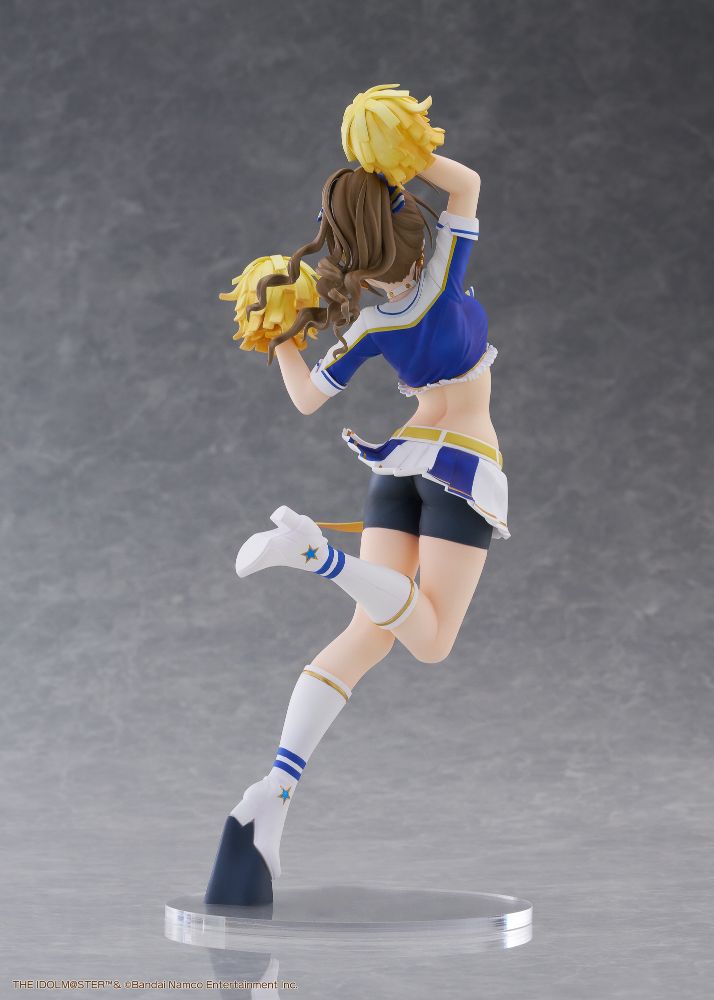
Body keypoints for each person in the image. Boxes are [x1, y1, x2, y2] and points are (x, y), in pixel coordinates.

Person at [205, 154, 509, 906]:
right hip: (460, 465)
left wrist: (278, 333)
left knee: (368, 633)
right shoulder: (443, 271)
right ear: (408, 222)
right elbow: (467, 185)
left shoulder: (372, 323)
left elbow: (307, 398)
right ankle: (317, 555)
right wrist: (403, 150)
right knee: (430, 641)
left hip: (399, 462)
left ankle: (273, 794)